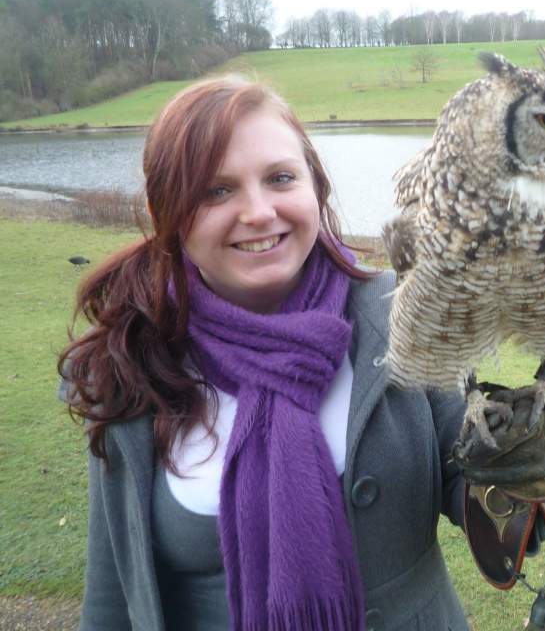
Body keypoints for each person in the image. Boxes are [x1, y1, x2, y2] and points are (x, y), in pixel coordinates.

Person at [60, 76, 469, 631]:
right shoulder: (131, 361)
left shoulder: (403, 312)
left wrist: (517, 477)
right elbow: (112, 592)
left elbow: (481, 490)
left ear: (315, 188)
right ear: (170, 214)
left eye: (280, 178)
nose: (258, 212)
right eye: (216, 191)